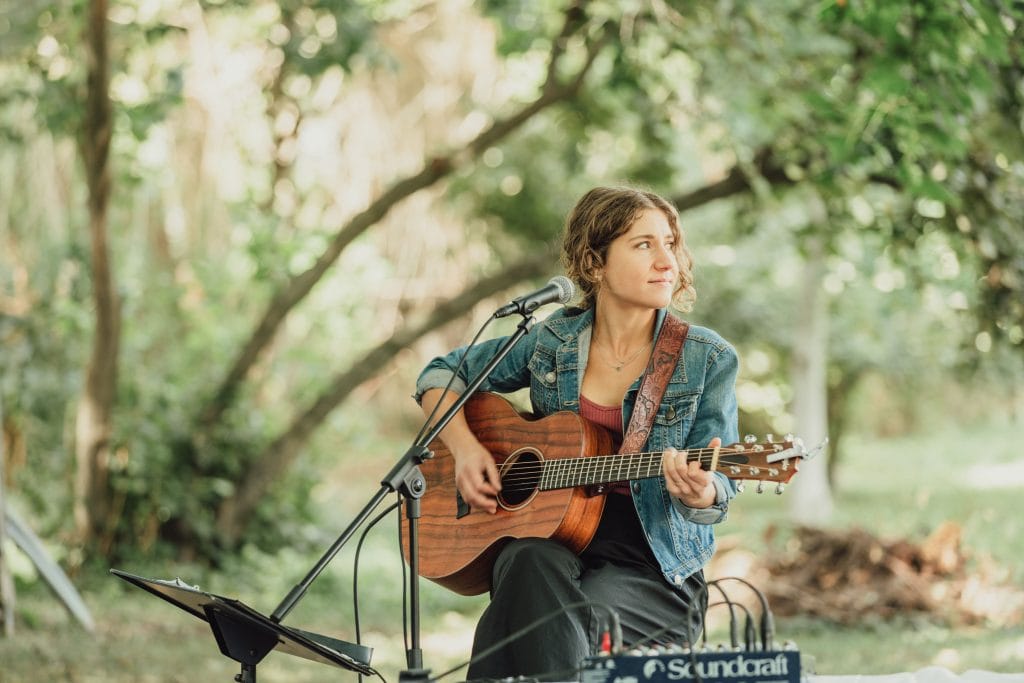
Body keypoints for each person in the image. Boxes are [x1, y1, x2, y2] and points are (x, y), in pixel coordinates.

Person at [414, 186, 739, 681]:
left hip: (651, 569)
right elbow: (439, 375)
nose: (667, 260)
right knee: (525, 559)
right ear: (594, 263)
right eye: (644, 244)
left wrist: (701, 492)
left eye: (670, 243)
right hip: (557, 543)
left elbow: (722, 484)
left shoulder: (705, 357)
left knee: (549, 619)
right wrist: (464, 450)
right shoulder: (553, 340)